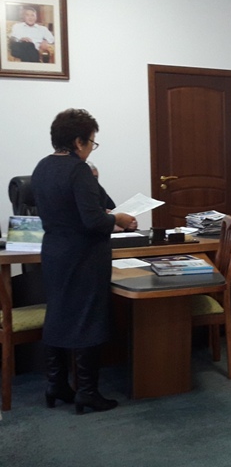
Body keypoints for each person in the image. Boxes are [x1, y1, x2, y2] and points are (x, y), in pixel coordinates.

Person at [31, 108, 136, 414]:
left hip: (54, 253)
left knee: (57, 315)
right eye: (91, 142)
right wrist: (117, 219)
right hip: (83, 256)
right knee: (88, 320)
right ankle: (87, 393)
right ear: (78, 141)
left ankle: (56, 385)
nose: (91, 148)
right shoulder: (77, 170)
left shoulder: (42, 166)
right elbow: (94, 221)